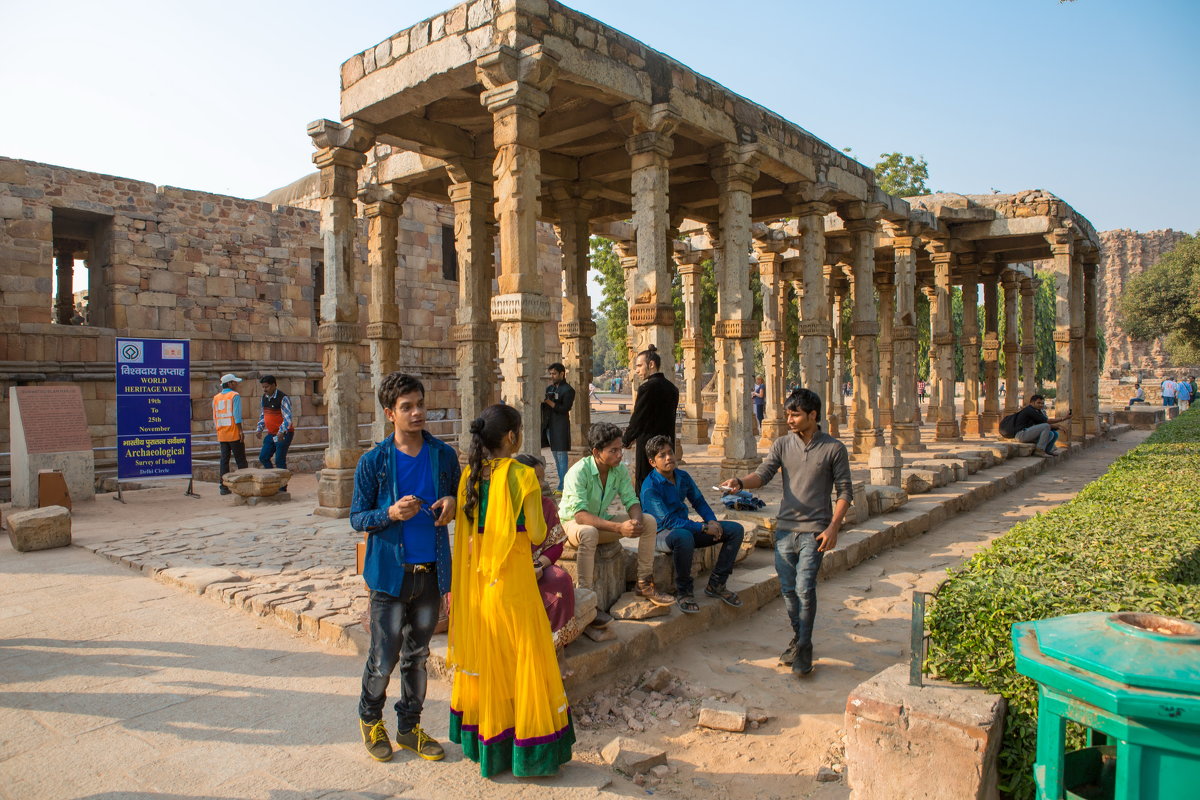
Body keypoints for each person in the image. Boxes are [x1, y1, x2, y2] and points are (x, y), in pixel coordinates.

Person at [448, 404, 574, 777]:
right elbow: (537, 533)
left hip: (483, 587)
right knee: (528, 661)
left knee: (493, 663)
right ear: (511, 437)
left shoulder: (469, 475)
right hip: (516, 583)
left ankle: (491, 748)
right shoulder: (521, 476)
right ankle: (529, 752)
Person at [351, 372, 460, 763]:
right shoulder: (374, 461)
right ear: (389, 414)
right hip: (389, 576)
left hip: (430, 573)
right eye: (406, 407)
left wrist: (450, 501)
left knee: (418, 656)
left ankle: (409, 726)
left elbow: (462, 499)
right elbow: (358, 517)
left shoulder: (443, 456)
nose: (417, 413)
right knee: (383, 657)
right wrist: (390, 512)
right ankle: (370, 719)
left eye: (420, 405)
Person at [719, 388, 852, 677]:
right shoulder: (782, 445)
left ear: (812, 415)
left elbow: (845, 492)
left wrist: (834, 527)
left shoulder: (834, 449)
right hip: (785, 530)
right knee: (789, 591)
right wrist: (741, 482)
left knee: (805, 589)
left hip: (815, 531)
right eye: (787, 414)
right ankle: (799, 637)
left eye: (795, 414)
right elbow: (764, 474)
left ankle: (804, 647)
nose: (789, 420)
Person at [560, 422, 674, 608]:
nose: (620, 454)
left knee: (649, 521)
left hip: (599, 523)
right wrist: (619, 528)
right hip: (571, 526)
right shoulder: (579, 472)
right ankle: (585, 596)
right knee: (588, 532)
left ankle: (644, 582)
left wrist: (636, 522)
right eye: (613, 451)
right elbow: (580, 516)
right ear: (597, 452)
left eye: (620, 449)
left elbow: (631, 501)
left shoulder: (618, 470)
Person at [639, 434, 745, 614]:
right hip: (662, 534)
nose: (668, 457)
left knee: (735, 530)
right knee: (684, 536)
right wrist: (703, 528)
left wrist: (712, 521)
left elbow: (699, 501)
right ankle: (684, 592)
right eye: (662, 455)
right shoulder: (650, 487)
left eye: (670, 452)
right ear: (652, 462)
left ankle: (717, 584)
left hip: (685, 528)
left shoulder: (682, 476)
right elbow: (667, 521)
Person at [514, 453, 581, 655]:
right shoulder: (501, 506)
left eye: (542, 478)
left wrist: (540, 565)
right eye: (535, 479)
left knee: (561, 580)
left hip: (537, 569)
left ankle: (556, 648)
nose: (541, 484)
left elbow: (556, 544)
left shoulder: (546, 505)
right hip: (507, 570)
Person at [622, 345, 680, 494]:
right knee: (666, 479)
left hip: (648, 445)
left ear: (652, 364)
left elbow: (638, 419)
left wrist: (626, 439)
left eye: (640, 365)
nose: (637, 370)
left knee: (646, 482)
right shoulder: (672, 388)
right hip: (667, 443)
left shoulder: (647, 388)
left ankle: (646, 513)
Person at [541, 362, 575, 494]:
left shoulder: (568, 390)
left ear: (562, 373)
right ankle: (562, 483)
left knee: (561, 456)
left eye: (554, 373)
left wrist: (549, 402)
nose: (552, 376)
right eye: (551, 374)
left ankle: (563, 486)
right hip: (549, 425)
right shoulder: (550, 388)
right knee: (555, 456)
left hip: (560, 425)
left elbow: (565, 408)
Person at [212, 373, 248, 495]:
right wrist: (241, 431)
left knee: (224, 460)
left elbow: (215, 416)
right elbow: (237, 416)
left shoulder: (216, 397)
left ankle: (223, 487)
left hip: (222, 432)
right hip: (233, 432)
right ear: (229, 383)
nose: (236, 384)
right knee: (241, 460)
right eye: (234, 382)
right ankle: (246, 484)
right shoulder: (234, 396)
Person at [255, 374, 294, 481]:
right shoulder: (264, 398)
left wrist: (281, 431)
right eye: (263, 387)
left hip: (283, 434)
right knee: (263, 457)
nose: (264, 389)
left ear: (273, 385)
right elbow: (263, 415)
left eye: (266, 387)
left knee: (280, 460)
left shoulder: (283, 398)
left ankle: (282, 487)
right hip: (272, 434)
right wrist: (259, 428)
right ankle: (274, 479)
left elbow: (288, 418)